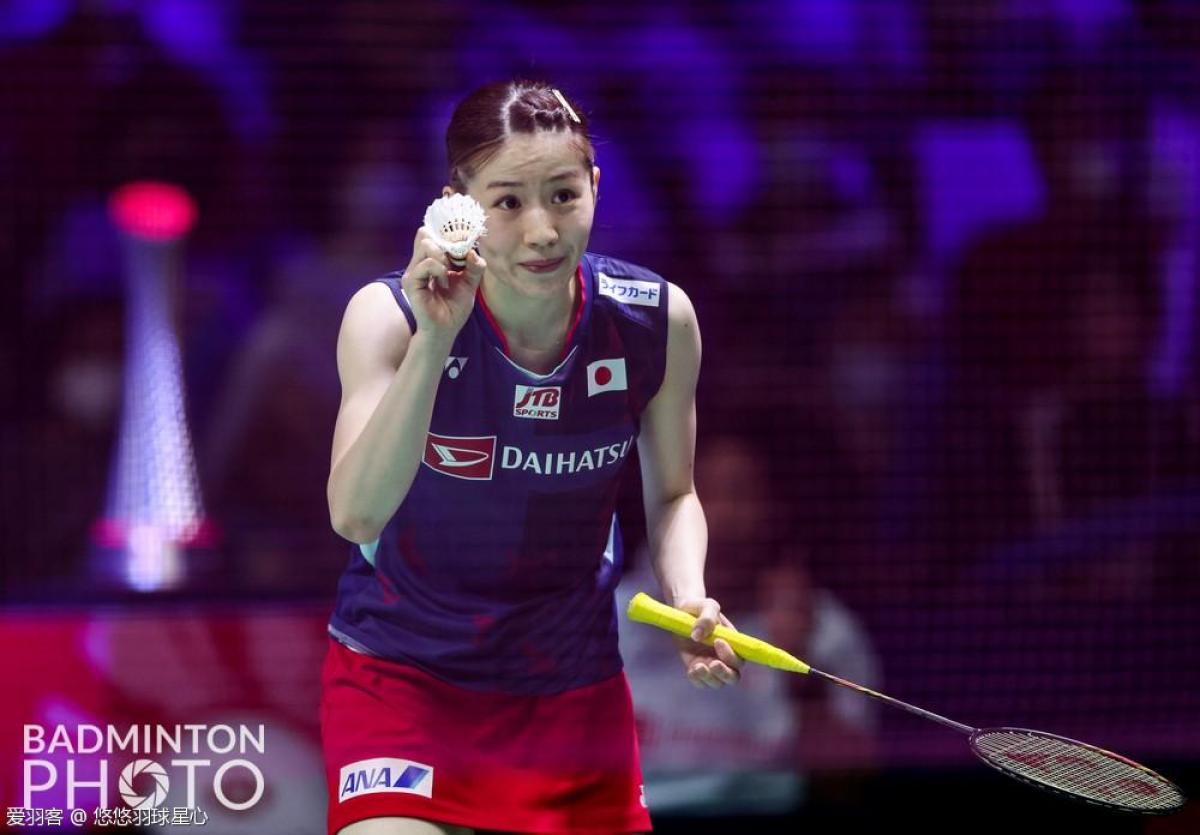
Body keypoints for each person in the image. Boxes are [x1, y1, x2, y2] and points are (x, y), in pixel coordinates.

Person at [319, 80, 742, 835]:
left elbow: (674, 492)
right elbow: (355, 515)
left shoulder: (654, 321)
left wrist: (688, 596)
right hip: (403, 679)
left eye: (564, 195)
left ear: (595, 188)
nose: (542, 230)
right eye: (508, 202)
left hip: (569, 690)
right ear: (457, 206)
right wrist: (437, 341)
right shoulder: (388, 320)